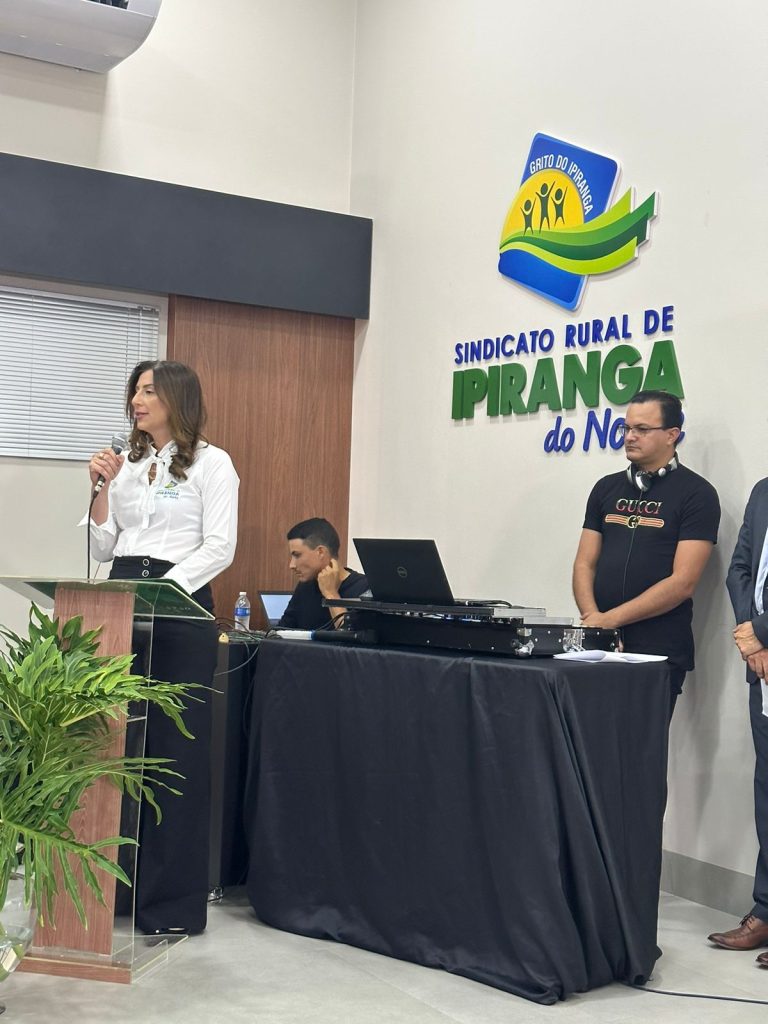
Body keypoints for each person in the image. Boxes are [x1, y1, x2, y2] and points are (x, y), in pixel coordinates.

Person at [85, 360, 239, 936]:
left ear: (177, 397)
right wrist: (99, 489)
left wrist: (165, 592)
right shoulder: (126, 463)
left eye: (148, 390)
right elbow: (102, 547)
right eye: (134, 390)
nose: (136, 399)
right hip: (120, 599)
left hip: (180, 602)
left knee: (174, 753)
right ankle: (110, 892)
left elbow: (219, 547)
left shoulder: (213, 463)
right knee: (110, 746)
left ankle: (169, 905)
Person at [572, 389, 720, 715]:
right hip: (599, 644)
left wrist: (608, 621)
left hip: (658, 649)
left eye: (642, 429)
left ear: (672, 435)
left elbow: (682, 582)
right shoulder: (605, 488)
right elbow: (584, 564)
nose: (630, 437)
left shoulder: (697, 494)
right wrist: (596, 624)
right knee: (589, 740)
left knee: (640, 745)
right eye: (626, 428)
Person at [706, 480, 768, 963]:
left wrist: (762, 632)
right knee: (767, 790)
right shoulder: (764, 491)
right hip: (762, 666)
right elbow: (740, 569)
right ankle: (766, 910)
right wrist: (753, 638)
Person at [278, 517, 370, 630]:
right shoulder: (305, 587)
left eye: (297, 555)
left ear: (320, 552)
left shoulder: (365, 589)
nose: (291, 565)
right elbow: (279, 633)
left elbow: (353, 637)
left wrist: (331, 594)